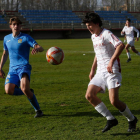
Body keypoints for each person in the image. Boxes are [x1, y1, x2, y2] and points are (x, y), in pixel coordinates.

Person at [83, 12, 138, 133]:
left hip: (112, 71)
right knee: (89, 95)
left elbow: (120, 45)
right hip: (99, 72)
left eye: (90, 25)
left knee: (114, 101)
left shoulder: (106, 33)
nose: (88, 28)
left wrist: (111, 61)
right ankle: (110, 119)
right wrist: (92, 69)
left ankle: (132, 119)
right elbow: (97, 54)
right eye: (86, 26)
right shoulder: (93, 37)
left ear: (97, 23)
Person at [0, 17, 44, 118]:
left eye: (18, 24)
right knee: (8, 91)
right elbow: (5, 53)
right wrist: (0, 67)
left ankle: (38, 111)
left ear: (21, 26)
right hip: (12, 69)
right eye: (14, 24)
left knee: (24, 88)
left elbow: (39, 47)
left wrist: (37, 48)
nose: (16, 26)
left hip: (24, 67)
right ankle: (28, 91)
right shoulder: (6, 38)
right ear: (10, 26)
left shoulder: (25, 37)